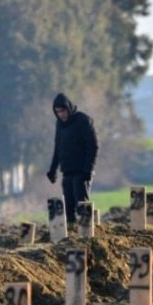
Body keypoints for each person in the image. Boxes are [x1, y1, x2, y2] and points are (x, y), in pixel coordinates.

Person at [46, 93, 99, 224]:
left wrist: (88, 169)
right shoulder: (59, 125)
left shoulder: (82, 120)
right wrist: (53, 170)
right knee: (68, 208)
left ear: (68, 108)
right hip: (67, 171)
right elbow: (58, 148)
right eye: (57, 112)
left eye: (63, 111)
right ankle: (71, 235)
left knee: (82, 206)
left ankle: (86, 236)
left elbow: (93, 146)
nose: (61, 114)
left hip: (82, 171)